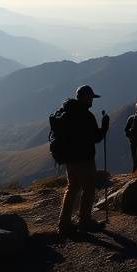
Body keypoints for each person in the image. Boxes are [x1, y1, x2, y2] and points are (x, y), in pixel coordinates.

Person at [56, 84, 109, 236]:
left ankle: (64, 223)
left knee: (72, 188)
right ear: (85, 98)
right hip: (84, 159)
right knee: (88, 188)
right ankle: (84, 220)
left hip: (69, 159)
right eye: (91, 97)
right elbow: (97, 137)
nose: (92, 100)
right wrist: (104, 126)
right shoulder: (86, 116)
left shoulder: (66, 113)